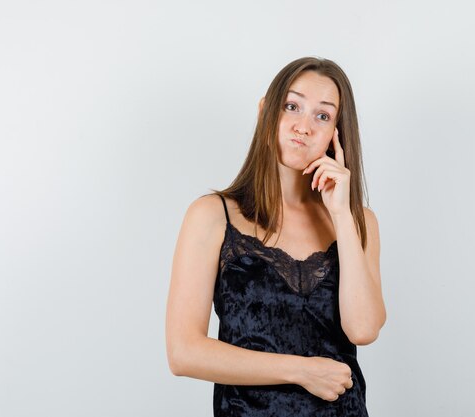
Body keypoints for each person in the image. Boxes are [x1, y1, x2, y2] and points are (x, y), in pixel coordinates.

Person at [165, 56, 386, 416]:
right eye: (292, 106)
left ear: (337, 133)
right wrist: (301, 371)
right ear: (266, 111)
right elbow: (183, 352)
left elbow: (362, 329)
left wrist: (343, 214)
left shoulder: (359, 221)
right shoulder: (212, 216)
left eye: (323, 115)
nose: (304, 126)